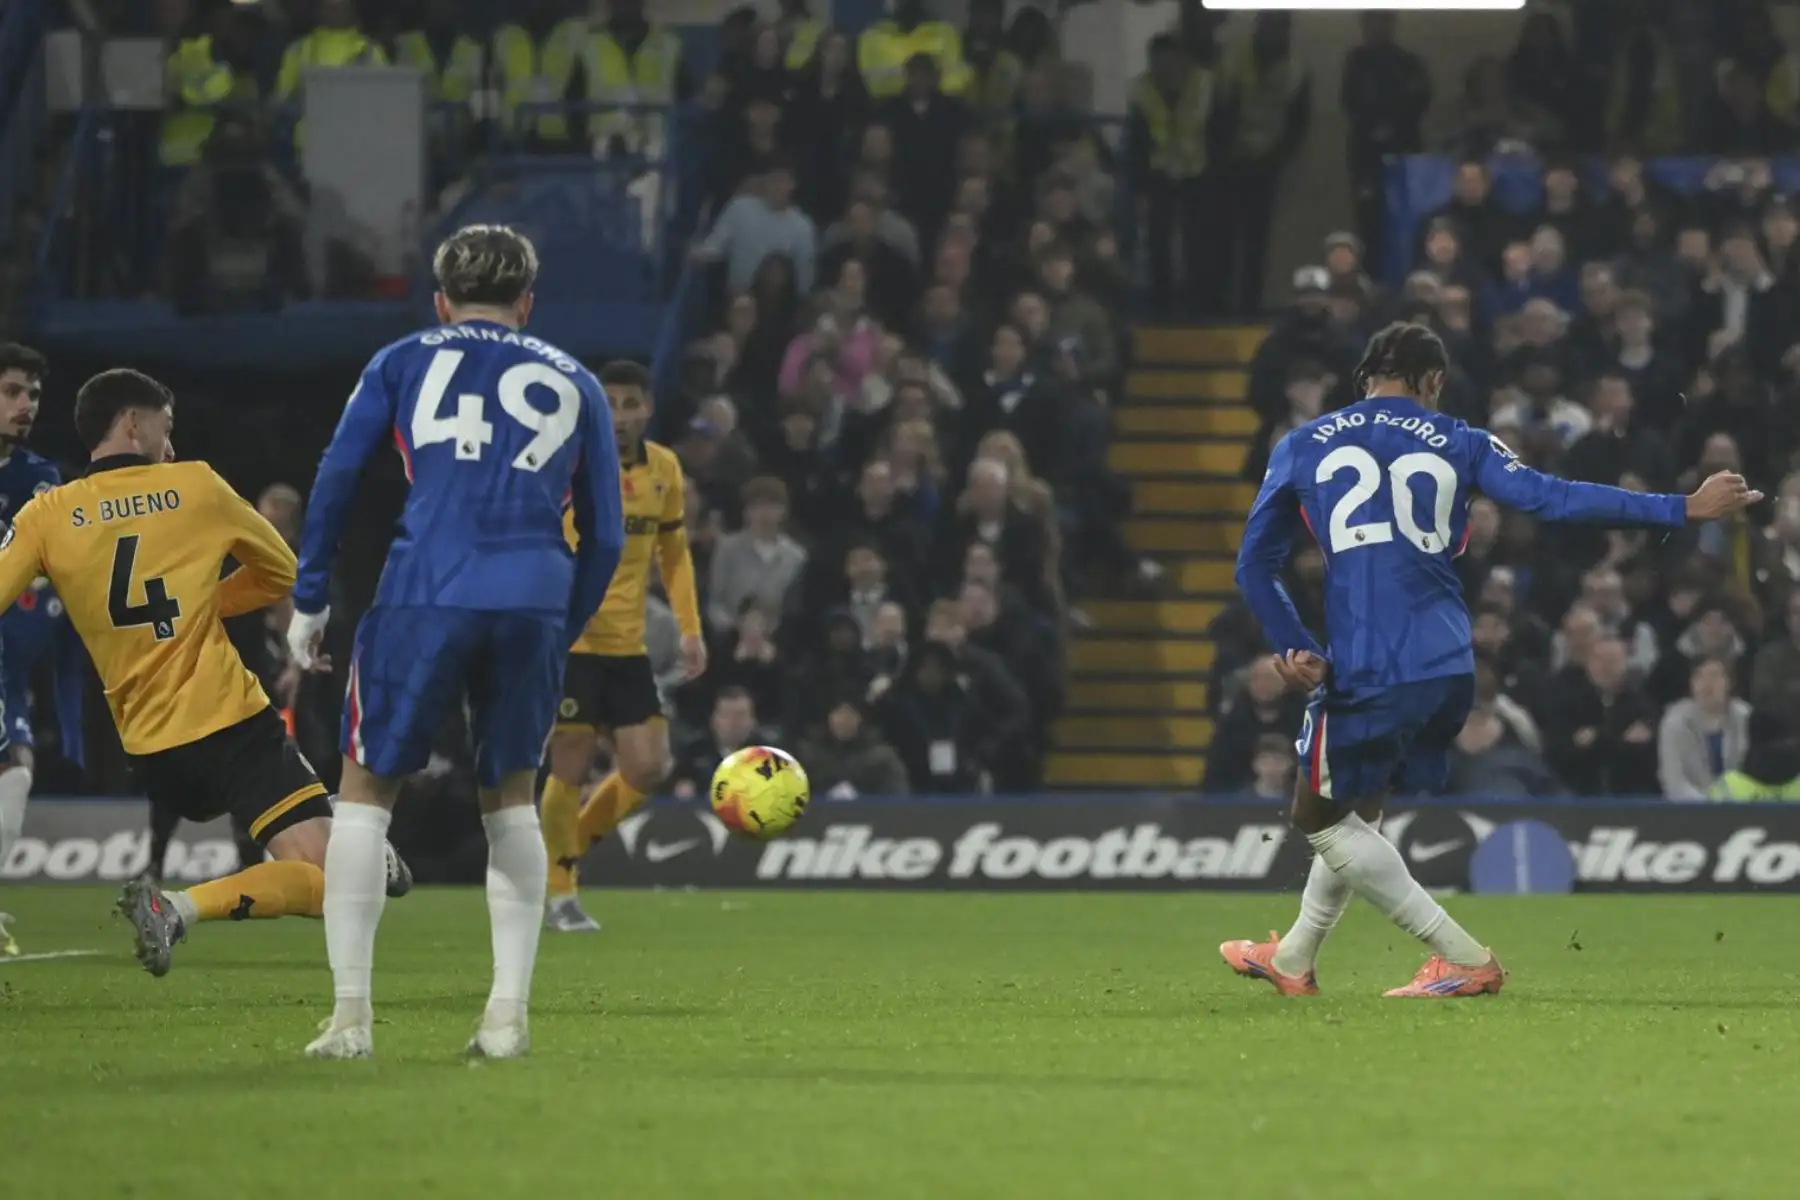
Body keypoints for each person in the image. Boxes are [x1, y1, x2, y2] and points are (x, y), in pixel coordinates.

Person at [1226, 321, 1759, 998]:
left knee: (1318, 817)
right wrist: (1681, 507)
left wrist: (1292, 641)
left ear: (1363, 381)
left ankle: (1463, 956)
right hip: (1451, 659)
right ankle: (1294, 960)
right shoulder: (1460, 440)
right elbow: (1556, 498)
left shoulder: (1301, 444)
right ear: (1434, 382)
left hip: (1370, 656)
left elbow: (1255, 564)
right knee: (1360, 804)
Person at [285, 225, 625, 1060]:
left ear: (440, 300)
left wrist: (311, 596)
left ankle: (351, 1019)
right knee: (511, 799)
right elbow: (609, 536)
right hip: (535, 596)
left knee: (365, 793)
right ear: (527, 304)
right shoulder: (577, 379)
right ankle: (506, 1019)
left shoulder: (401, 360)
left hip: (428, 587)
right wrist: (560, 620)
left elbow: (336, 476)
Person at [0, 369, 415, 973]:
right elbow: (284, 576)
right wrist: (208, 601)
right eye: (166, 429)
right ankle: (185, 905)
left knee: (324, 855)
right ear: (135, 423)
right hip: (230, 725)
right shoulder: (194, 485)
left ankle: (342, 835)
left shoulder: (47, 513)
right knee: (346, 886)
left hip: (149, 750)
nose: (170, 446)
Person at [538, 361, 705, 934]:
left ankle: (564, 852)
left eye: (630, 403)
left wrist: (690, 628)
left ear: (647, 409)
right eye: (607, 403)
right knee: (571, 764)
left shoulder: (664, 469)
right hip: (574, 641)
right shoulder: (568, 465)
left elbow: (674, 555)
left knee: (648, 766)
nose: (619, 415)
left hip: (628, 645)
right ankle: (562, 892)